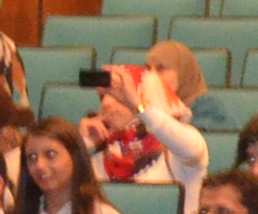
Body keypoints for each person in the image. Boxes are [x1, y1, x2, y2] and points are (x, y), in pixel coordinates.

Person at [83, 45, 213, 199]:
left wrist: (139, 107)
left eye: (120, 98)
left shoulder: (178, 152)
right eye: (103, 97)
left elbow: (193, 150)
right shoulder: (103, 158)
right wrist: (83, 144)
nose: (107, 104)